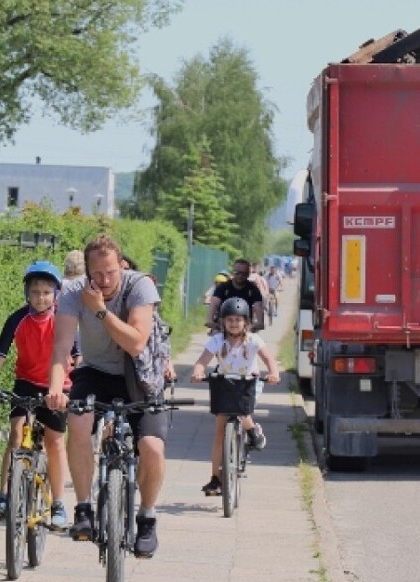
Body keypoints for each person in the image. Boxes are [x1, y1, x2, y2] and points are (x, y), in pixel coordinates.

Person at [47, 233, 173, 558]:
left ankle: (146, 516)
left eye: (110, 273)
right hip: (95, 372)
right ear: (87, 270)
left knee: (152, 448)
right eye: (96, 274)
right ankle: (84, 508)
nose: (103, 281)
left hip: (139, 376)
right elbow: (62, 348)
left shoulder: (139, 286)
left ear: (122, 266)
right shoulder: (74, 292)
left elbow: (135, 342)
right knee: (77, 422)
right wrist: (54, 387)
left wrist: (101, 311)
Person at [0, 260, 70, 530]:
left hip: (57, 386)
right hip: (26, 383)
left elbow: (77, 356)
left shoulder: (63, 320)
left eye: (46, 292)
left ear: (55, 294)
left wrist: (70, 387)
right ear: (27, 293)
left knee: (55, 441)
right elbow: (0, 353)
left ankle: (59, 503)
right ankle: (3, 494)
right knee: (16, 434)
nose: (40, 297)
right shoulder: (17, 318)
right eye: (35, 291)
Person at [191, 296, 280, 496]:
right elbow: (202, 360)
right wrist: (198, 371)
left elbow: (268, 359)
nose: (234, 324)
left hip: (248, 382)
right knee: (220, 430)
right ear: (223, 321)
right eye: (229, 320)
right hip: (225, 383)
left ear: (246, 322)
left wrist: (273, 373)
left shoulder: (254, 340)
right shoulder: (217, 340)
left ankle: (252, 431)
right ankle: (215, 478)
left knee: (241, 410)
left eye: (238, 320)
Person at [206, 258, 264, 331]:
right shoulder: (223, 287)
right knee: (214, 340)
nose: (240, 276)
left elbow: (258, 306)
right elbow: (214, 303)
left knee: (256, 342)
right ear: (233, 273)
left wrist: (260, 322)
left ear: (248, 274)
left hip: (245, 327)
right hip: (223, 326)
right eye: (237, 272)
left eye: (243, 273)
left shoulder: (253, 289)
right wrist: (210, 320)